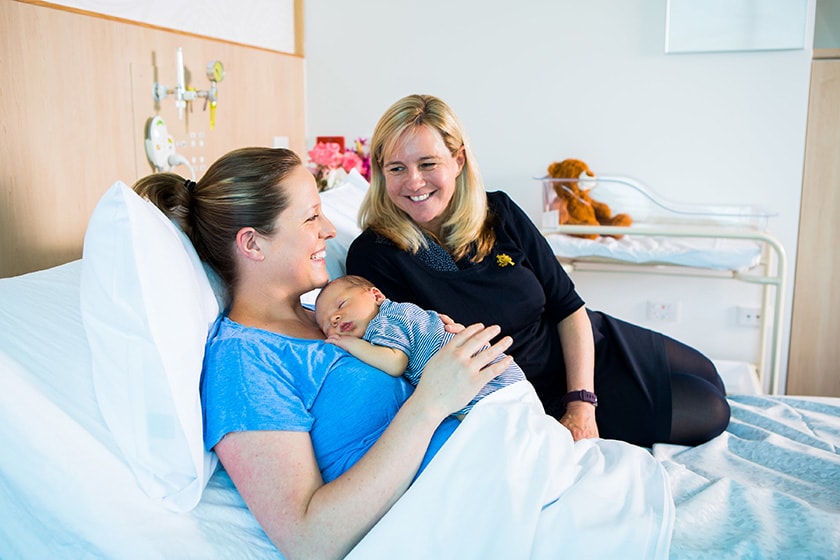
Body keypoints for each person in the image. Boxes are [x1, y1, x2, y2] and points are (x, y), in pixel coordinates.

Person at [133, 147, 515, 559]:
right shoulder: (244, 363)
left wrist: (431, 338)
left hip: (497, 466)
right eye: (311, 216)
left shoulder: (325, 316)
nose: (330, 229)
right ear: (253, 244)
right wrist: (430, 403)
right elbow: (308, 540)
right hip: (466, 514)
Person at [346, 93, 731, 448]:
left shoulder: (498, 212)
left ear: (458, 161)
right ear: (380, 172)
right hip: (533, 392)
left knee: (709, 375)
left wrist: (583, 401)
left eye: (428, 164)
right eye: (397, 168)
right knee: (711, 411)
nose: (414, 182)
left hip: (587, 347)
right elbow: (404, 359)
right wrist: (570, 412)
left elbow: (567, 305)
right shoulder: (374, 257)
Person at [314, 274, 526, 418]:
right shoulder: (401, 313)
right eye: (327, 325)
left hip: (486, 389)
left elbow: (394, 362)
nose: (335, 318)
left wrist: (349, 344)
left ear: (376, 295)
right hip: (503, 380)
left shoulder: (384, 321)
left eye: (341, 305)